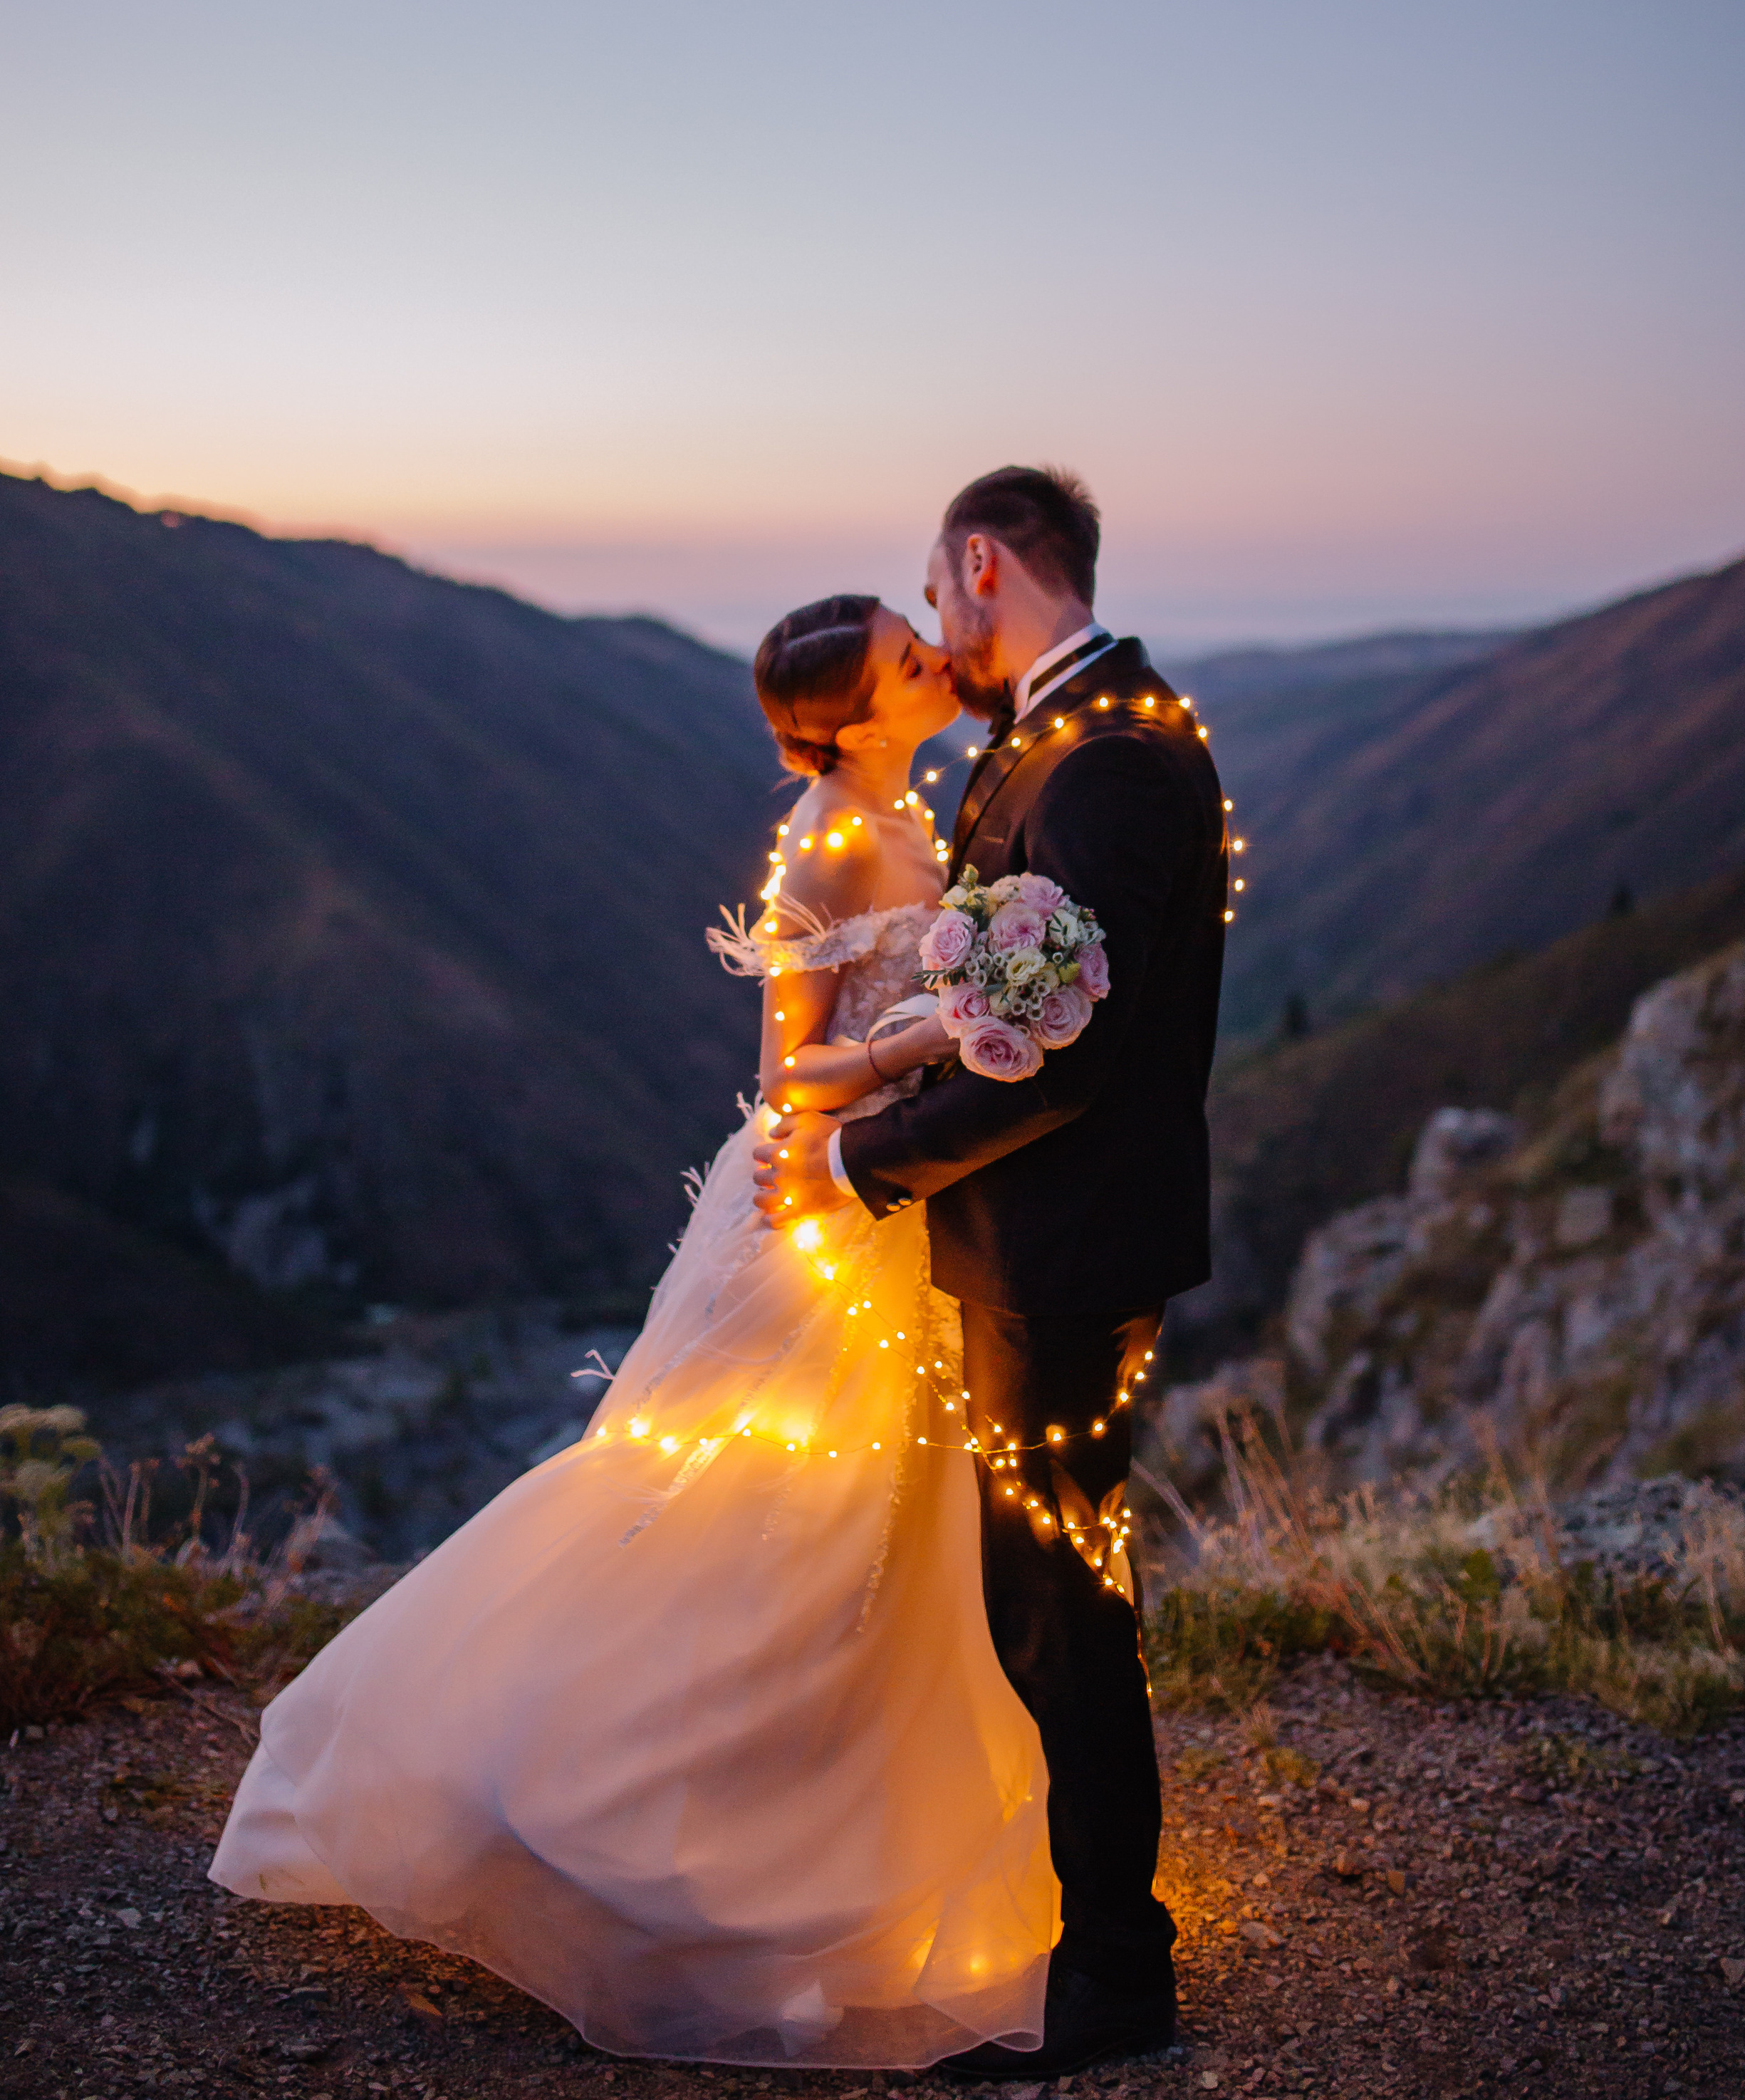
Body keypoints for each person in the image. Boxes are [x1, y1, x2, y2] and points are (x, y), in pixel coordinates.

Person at [209, 594, 1062, 2069]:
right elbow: (791, 1070)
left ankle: (813, 1817)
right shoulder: (829, 840)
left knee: (868, 1536)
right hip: (820, 1208)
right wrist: (946, 1027)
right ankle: (583, 1810)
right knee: (750, 1518)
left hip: (896, 1202)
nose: (936, 660)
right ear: (856, 716)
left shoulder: (910, 813)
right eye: (907, 658)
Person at [754, 466, 1229, 2078]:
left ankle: (1113, 1977)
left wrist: (856, 1163)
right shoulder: (1063, 730)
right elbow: (990, 1009)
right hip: (1039, 1241)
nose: (931, 625)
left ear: (979, 565)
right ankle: (1076, 1931)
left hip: (1062, 1252)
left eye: (932, 590)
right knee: (1041, 1595)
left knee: (1058, 1609)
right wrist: (887, 1064)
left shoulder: (1104, 756)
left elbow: (1058, 1060)